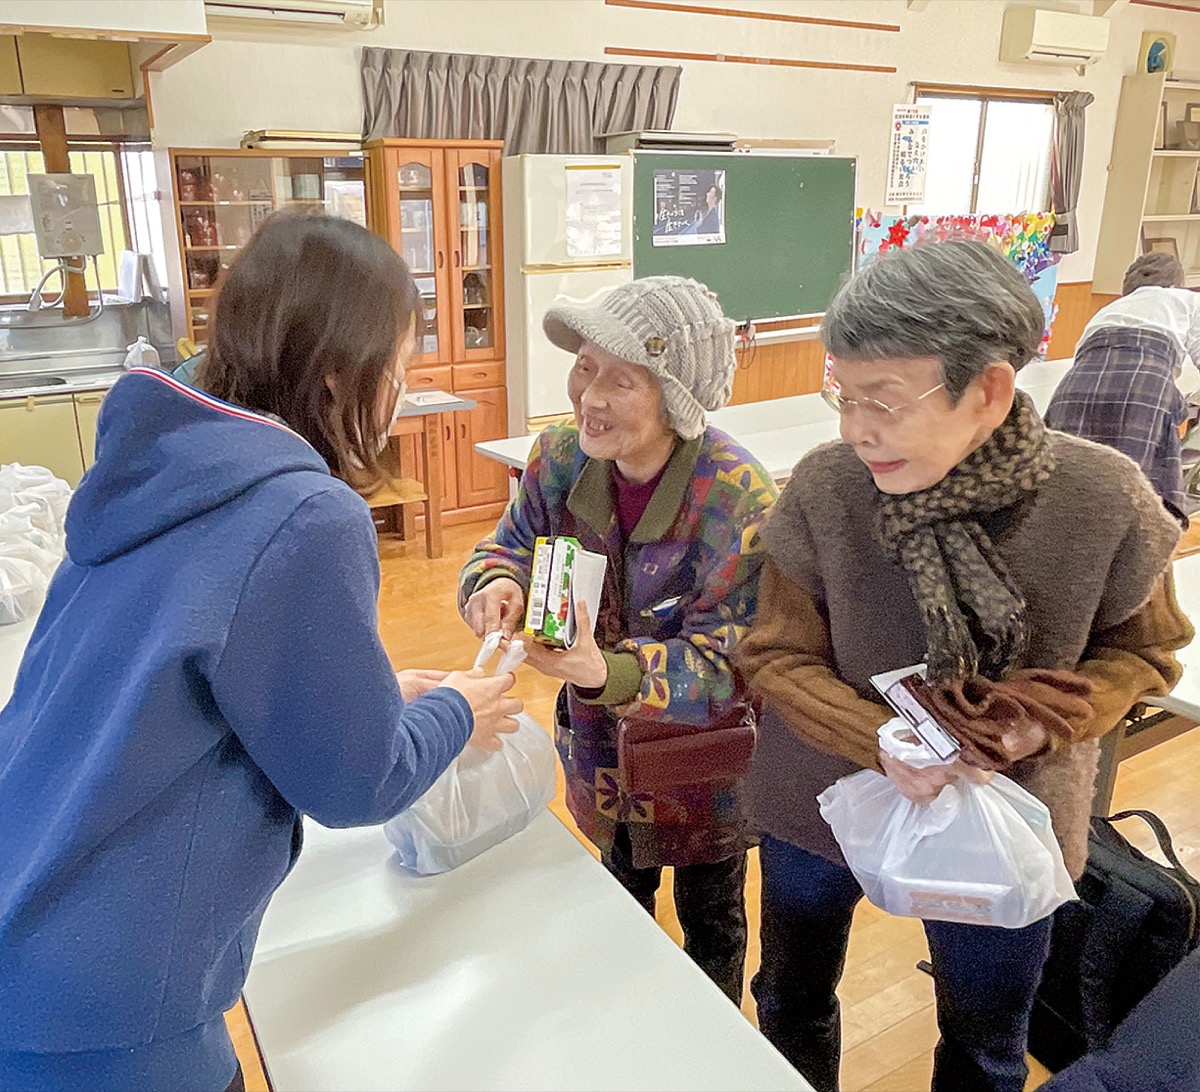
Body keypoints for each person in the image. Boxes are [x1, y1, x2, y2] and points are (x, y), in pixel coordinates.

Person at [0, 214, 522, 1092]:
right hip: (108, 997)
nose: (400, 392)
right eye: (398, 365)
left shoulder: (156, 466)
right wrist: (456, 710)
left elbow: (187, 678)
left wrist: (377, 696)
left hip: (29, 910)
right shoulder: (306, 513)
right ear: (339, 372)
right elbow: (358, 784)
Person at [736, 240, 1193, 1092]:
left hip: (1007, 817)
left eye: (883, 399)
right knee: (790, 999)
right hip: (819, 799)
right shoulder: (828, 487)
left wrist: (1040, 719)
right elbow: (774, 651)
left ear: (988, 389)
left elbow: (1145, 650)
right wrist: (877, 737)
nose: (856, 428)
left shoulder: (1105, 499)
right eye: (844, 394)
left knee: (985, 1043)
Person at [458, 276, 777, 1003]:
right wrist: (494, 583)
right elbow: (507, 545)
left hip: (701, 770)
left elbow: (734, 662)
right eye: (585, 367)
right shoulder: (559, 457)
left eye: (621, 379)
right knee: (613, 910)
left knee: (712, 925)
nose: (589, 397)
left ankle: (702, 1047)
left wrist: (610, 672)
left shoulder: (736, 496)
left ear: (677, 399)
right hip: (599, 754)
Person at [1045, 252, 1200, 521]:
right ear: (1176, 283)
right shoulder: (1188, 301)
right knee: (1134, 482)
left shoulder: (1110, 308)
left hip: (1078, 384)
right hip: (1144, 382)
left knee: (1067, 467)